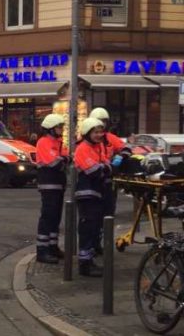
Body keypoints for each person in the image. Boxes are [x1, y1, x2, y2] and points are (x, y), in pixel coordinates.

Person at [89, 107, 132, 254]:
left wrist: (121, 157)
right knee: (93, 216)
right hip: (95, 181)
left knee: (108, 214)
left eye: (104, 122)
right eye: (99, 122)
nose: (102, 125)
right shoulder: (88, 140)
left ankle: (100, 243)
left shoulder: (110, 138)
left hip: (109, 181)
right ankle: (92, 244)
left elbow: (126, 148)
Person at [75, 117, 110, 277]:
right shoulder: (83, 148)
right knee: (87, 229)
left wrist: (105, 167)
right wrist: (105, 168)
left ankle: (88, 261)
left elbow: (106, 167)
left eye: (100, 132)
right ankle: (85, 265)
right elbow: (95, 171)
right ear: (87, 133)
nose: (99, 135)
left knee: (93, 228)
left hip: (95, 194)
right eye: (95, 132)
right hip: (86, 195)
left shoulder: (96, 147)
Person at [35, 114, 68, 264]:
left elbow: (66, 158)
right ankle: (42, 251)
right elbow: (55, 162)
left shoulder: (58, 142)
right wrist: (64, 159)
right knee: (48, 217)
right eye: (59, 127)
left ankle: (52, 246)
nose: (61, 129)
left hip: (58, 184)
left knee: (55, 217)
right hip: (48, 184)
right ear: (50, 128)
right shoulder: (44, 142)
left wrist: (64, 159)